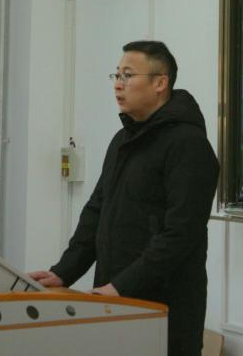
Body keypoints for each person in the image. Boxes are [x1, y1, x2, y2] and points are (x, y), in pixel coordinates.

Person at [30, 40, 220, 355]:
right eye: (116, 75)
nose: (118, 84)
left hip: (164, 309)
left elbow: (181, 234)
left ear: (160, 83)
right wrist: (64, 271)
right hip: (114, 301)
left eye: (128, 75)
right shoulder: (123, 139)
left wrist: (122, 286)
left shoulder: (188, 144)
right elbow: (96, 211)